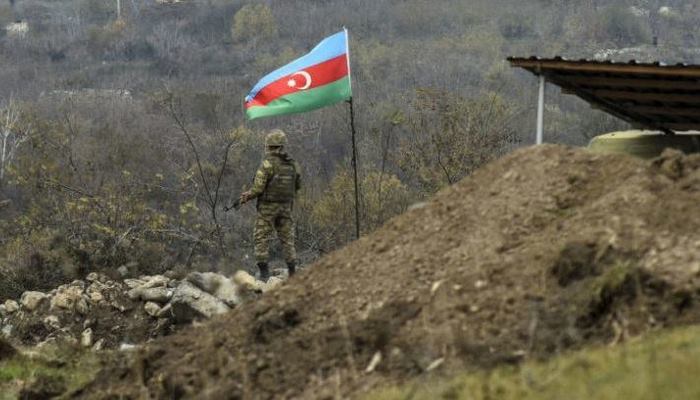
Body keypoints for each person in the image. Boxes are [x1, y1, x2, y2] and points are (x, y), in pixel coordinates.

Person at [239, 129, 301, 281]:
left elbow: (258, 188)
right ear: (281, 146)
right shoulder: (293, 165)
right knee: (287, 238)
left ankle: (264, 274)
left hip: (267, 208)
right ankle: (293, 271)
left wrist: (247, 195)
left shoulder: (267, 164)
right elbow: (297, 186)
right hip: (286, 207)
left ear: (269, 146)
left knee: (261, 237)